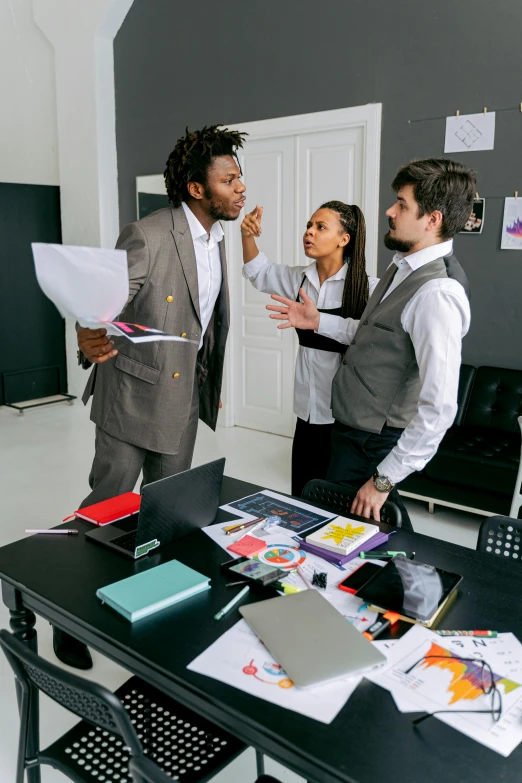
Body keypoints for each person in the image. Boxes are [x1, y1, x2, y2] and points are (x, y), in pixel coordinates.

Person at [54, 125, 247, 669]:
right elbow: (102, 300)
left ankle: (146, 611)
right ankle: (67, 618)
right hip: (133, 397)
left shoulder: (217, 239)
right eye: (229, 179)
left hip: (183, 404)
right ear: (195, 188)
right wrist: (87, 333)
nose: (240, 187)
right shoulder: (148, 233)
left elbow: (206, 321)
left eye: (239, 177)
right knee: (105, 511)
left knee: (165, 518)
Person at [268, 158, 474, 531]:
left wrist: (383, 480)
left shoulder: (437, 293)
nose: (390, 211)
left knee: (361, 541)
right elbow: (373, 336)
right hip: (350, 434)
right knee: (341, 537)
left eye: (402, 204)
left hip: (373, 447)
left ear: (433, 219)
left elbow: (439, 408)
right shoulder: (400, 268)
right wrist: (318, 321)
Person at [241, 201, 378, 497]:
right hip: (307, 412)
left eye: (320, 227)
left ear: (344, 239)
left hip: (346, 420)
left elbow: (371, 340)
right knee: (303, 498)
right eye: (308, 226)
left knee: (339, 505)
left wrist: (319, 321)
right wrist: (247, 236)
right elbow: (258, 272)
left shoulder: (369, 287)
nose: (309, 233)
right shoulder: (298, 279)